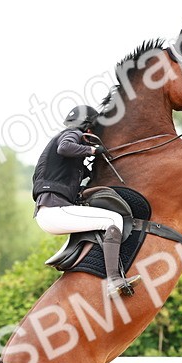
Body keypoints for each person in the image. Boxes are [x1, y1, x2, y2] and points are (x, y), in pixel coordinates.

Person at [32, 105, 141, 298]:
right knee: (113, 220)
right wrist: (93, 149)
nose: (91, 133)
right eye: (91, 130)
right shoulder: (70, 134)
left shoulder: (62, 155)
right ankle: (114, 280)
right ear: (86, 126)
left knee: (104, 221)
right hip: (54, 210)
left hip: (51, 210)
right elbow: (65, 147)